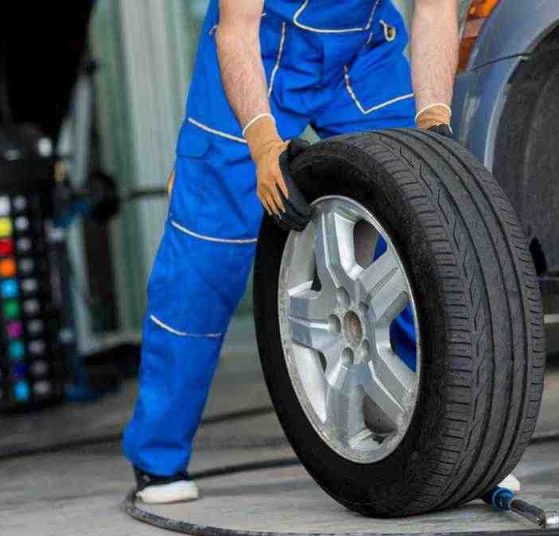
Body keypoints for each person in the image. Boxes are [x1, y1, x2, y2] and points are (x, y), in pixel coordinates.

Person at [122, 0, 504, 504]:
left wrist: (434, 122)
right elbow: (236, 31)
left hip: (360, 53)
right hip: (258, 48)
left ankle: (462, 447)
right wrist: (260, 143)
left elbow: (434, 11)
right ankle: (159, 455)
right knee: (205, 257)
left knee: (425, 226)